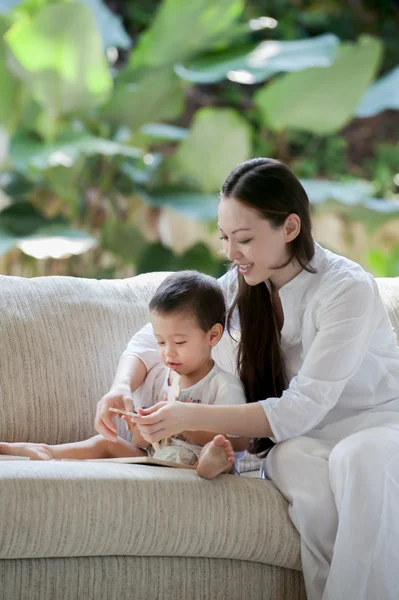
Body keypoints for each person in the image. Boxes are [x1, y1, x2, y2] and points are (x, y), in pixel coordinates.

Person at [96, 158, 399, 600]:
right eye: (224, 238)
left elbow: (300, 408)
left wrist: (187, 417)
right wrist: (120, 386)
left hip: (378, 428)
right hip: (310, 437)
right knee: (286, 460)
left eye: (244, 239)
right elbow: (153, 337)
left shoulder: (346, 289)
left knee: (356, 458)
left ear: (290, 228)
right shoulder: (244, 285)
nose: (231, 252)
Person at [0, 271, 248, 479]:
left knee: (214, 452)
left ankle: (208, 467)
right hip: (156, 458)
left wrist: (186, 426)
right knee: (104, 442)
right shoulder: (161, 377)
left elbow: (240, 441)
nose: (168, 352)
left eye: (180, 342)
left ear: (213, 335)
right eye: (160, 342)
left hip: (195, 459)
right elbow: (141, 443)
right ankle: (46, 452)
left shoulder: (222, 384)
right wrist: (142, 427)